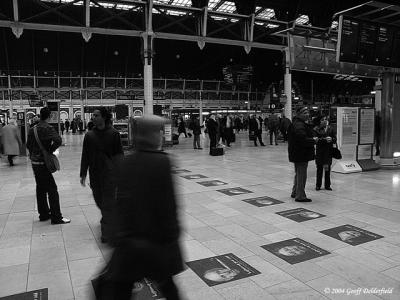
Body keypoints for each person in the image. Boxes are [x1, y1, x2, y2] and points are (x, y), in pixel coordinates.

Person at [97, 115, 184, 300]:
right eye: (159, 133)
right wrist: (172, 237)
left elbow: (115, 203)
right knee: (168, 287)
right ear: (153, 135)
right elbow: (168, 206)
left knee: (122, 289)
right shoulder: (162, 162)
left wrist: (115, 235)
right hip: (155, 243)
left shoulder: (125, 162)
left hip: (129, 244)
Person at [80, 108, 123, 244]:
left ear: (104, 117)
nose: (93, 117)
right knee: (99, 200)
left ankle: (107, 232)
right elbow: (85, 155)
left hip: (110, 174)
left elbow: (119, 154)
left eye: (96, 115)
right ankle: (108, 217)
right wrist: (83, 173)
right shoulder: (89, 135)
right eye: (93, 115)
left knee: (107, 202)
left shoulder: (114, 134)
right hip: (95, 174)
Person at [26, 107, 70, 224]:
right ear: (50, 116)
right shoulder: (48, 128)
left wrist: (34, 153)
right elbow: (58, 140)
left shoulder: (32, 129)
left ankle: (44, 214)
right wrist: (50, 150)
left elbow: (28, 145)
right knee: (52, 189)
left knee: (40, 188)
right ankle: (56, 217)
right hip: (44, 163)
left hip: (35, 163)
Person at [288, 107, 317, 202]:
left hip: (298, 153)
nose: (307, 114)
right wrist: (313, 140)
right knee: (302, 175)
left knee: (298, 174)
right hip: (301, 153)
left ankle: (295, 191)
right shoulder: (299, 125)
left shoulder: (298, 123)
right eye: (304, 112)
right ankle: (300, 196)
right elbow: (302, 139)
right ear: (298, 114)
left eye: (307, 112)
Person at [313, 115, 336, 191]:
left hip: (328, 152)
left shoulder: (330, 129)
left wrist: (332, 139)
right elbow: (315, 140)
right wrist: (325, 139)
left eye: (326, 119)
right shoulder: (316, 129)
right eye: (322, 119)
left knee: (327, 169)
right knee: (319, 169)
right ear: (319, 121)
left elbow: (335, 139)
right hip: (320, 152)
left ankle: (327, 185)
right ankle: (318, 185)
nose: (324, 121)